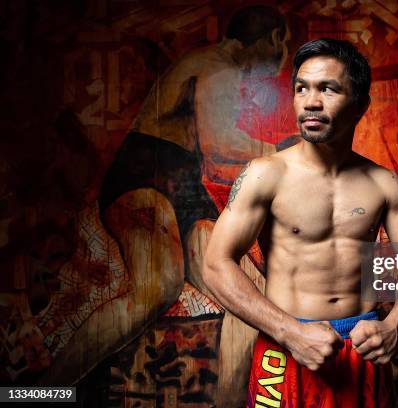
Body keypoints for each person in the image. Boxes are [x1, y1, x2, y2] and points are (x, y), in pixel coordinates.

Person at [39, 7, 290, 404]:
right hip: (146, 179)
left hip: (185, 189)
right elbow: (219, 146)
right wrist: (286, 151)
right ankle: (44, 390)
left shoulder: (221, 68)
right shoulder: (218, 63)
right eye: (285, 41)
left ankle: (228, 402)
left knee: (250, 292)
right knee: (160, 284)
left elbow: (215, 151)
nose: (285, 52)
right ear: (274, 38)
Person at [202, 38, 398, 407]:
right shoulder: (265, 175)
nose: (310, 102)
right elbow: (215, 264)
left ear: (360, 105)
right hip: (285, 349)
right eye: (302, 88)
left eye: (328, 89)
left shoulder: (383, 183)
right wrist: (289, 332)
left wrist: (397, 323)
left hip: (361, 349)